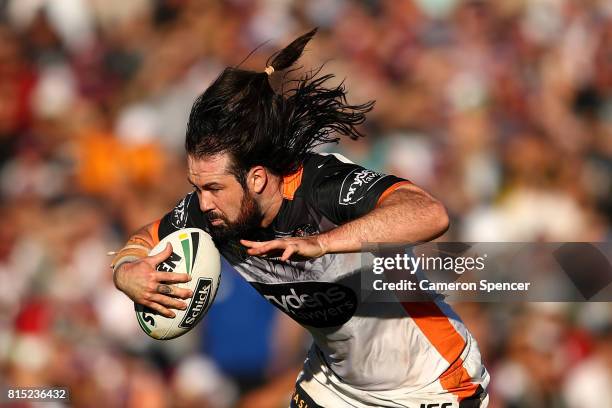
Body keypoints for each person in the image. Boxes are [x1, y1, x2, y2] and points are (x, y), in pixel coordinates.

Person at [112, 29, 489, 408]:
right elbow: (146, 237)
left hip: (433, 380)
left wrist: (322, 242)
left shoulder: (321, 185)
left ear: (257, 178)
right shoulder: (215, 210)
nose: (202, 202)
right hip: (338, 387)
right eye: (198, 187)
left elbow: (429, 213)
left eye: (213, 187)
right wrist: (128, 270)